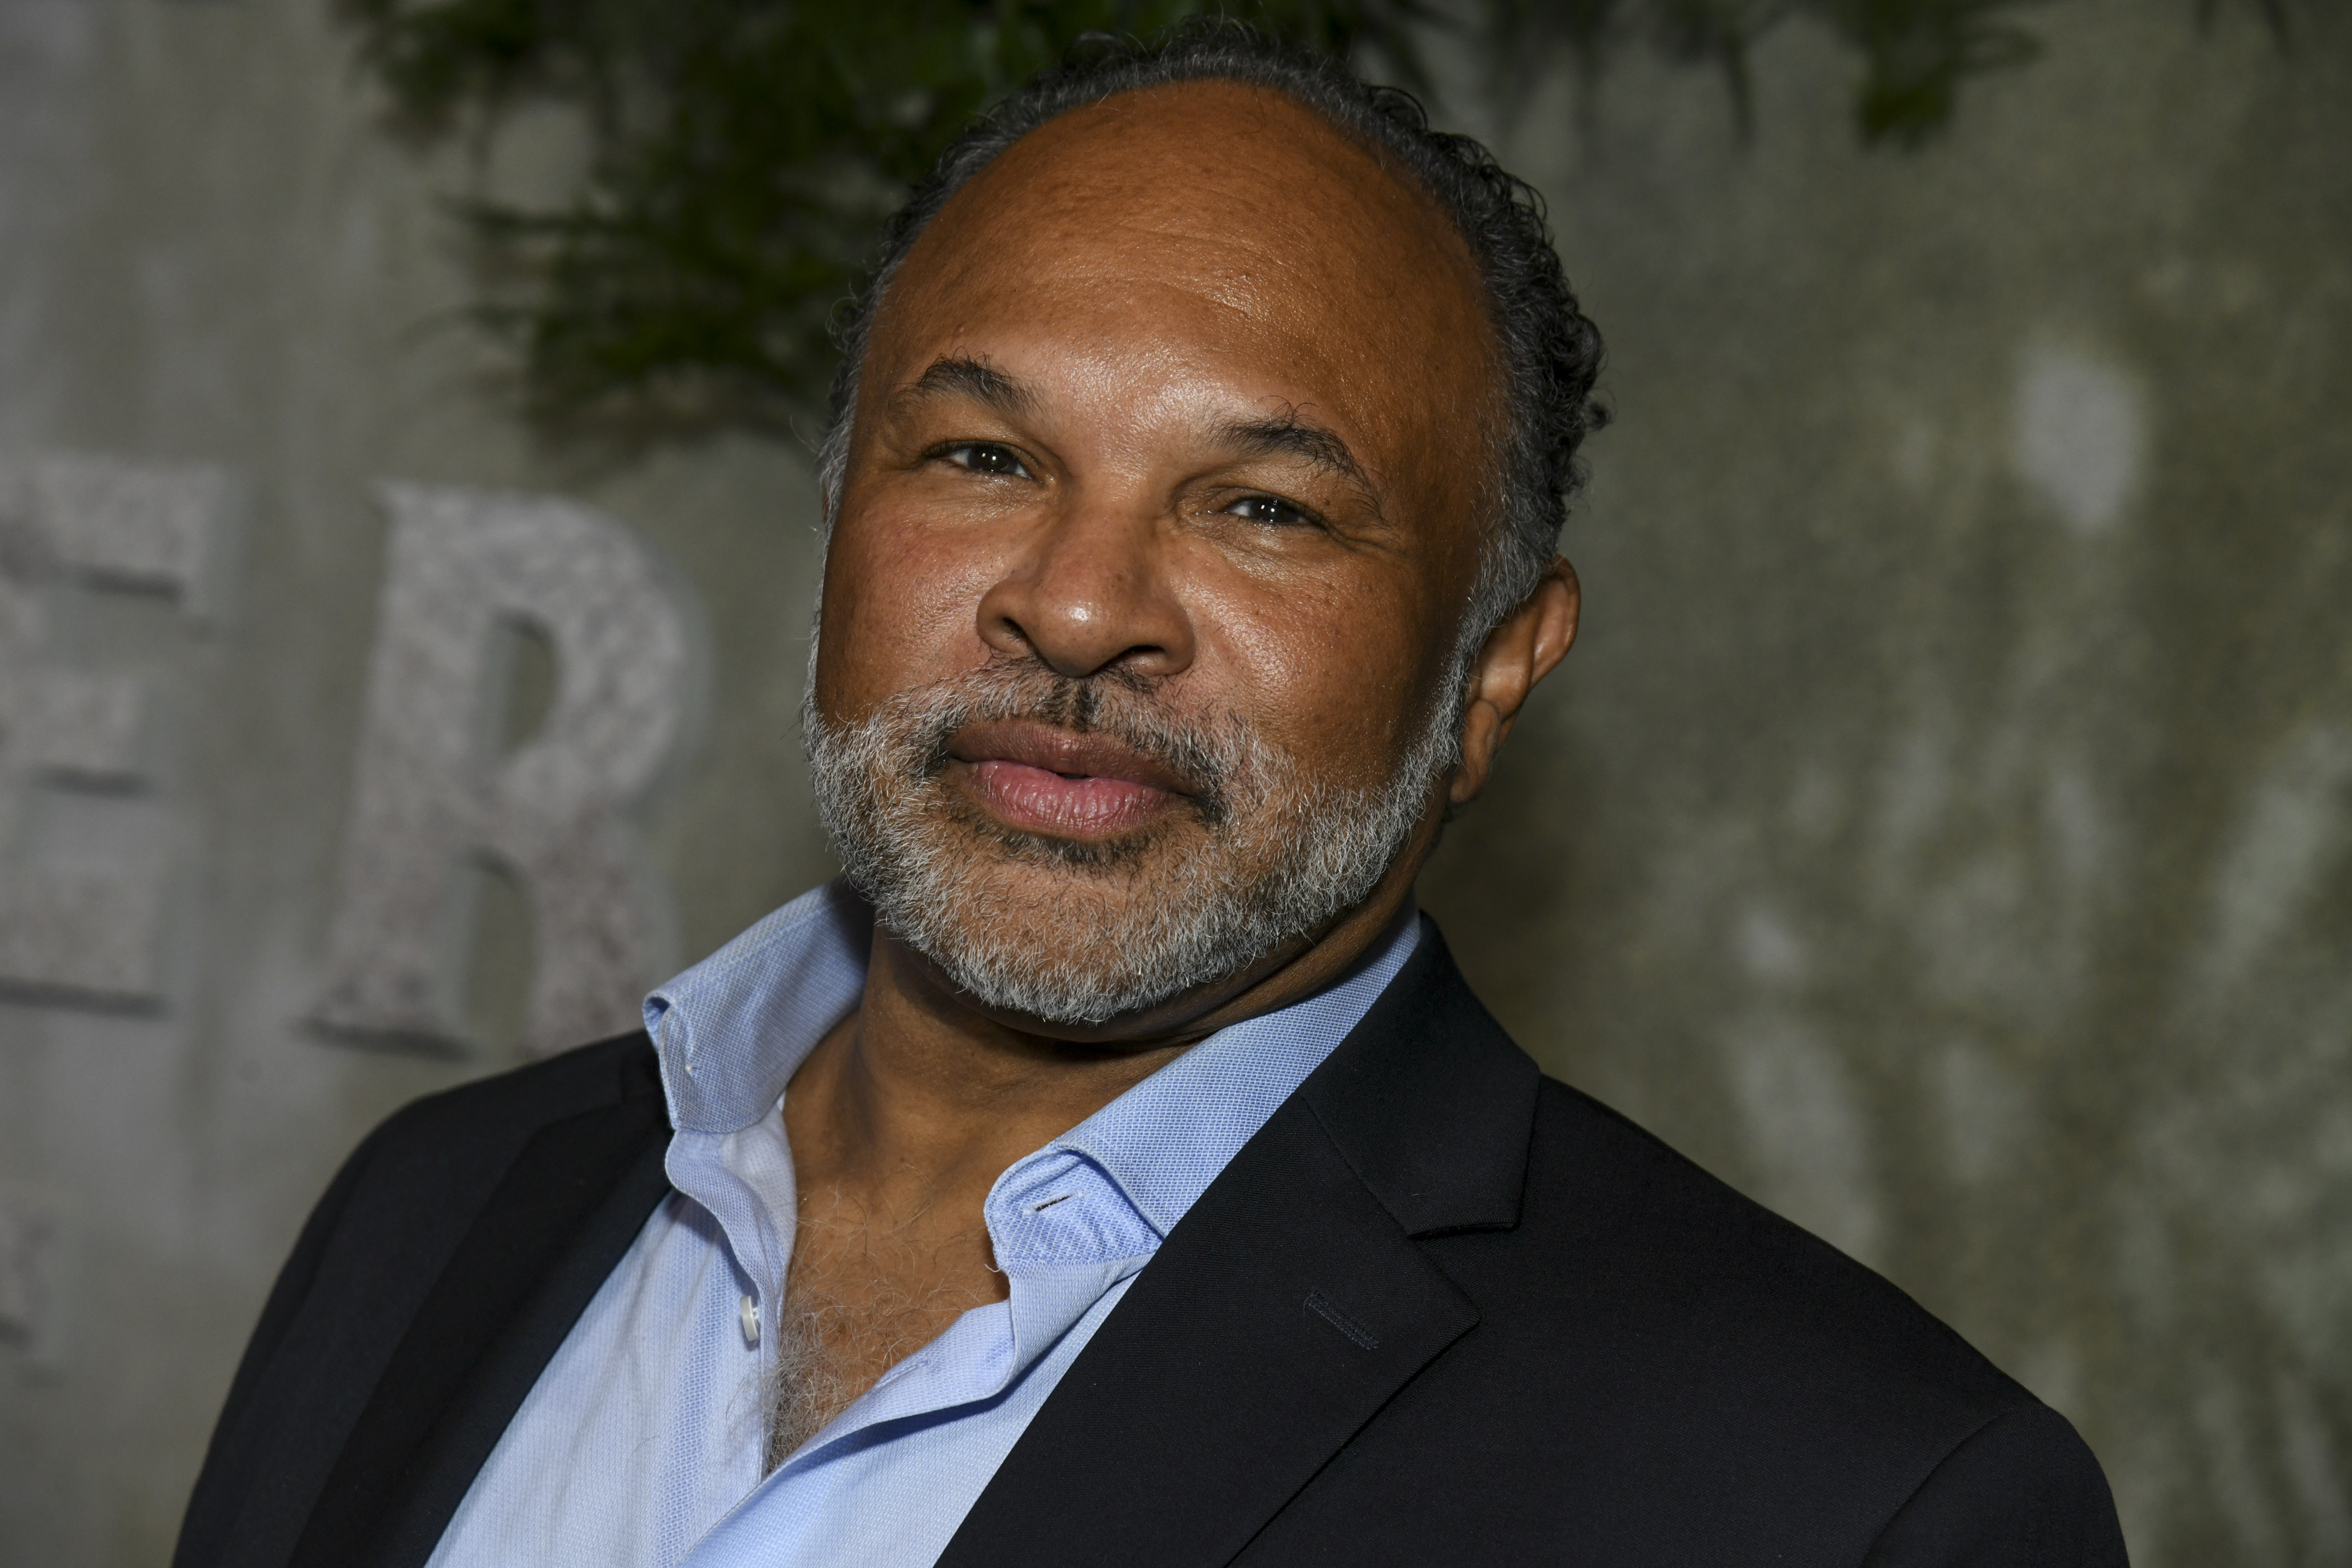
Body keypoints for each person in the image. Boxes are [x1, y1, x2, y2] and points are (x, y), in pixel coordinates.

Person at [173, 24, 2127, 1568]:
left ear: (1491, 672)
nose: (1083, 604)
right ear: (840, 518)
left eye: (1263, 507)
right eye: (984, 457)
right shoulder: (439, 1210)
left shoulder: (1840, 1503)